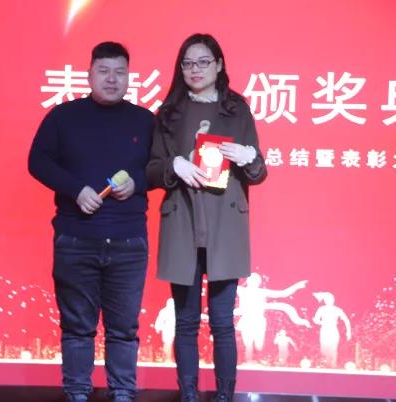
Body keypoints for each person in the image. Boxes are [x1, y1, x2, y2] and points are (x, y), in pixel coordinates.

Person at [28, 41, 154, 402]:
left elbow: (161, 168)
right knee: (77, 328)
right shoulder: (63, 116)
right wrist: (75, 189)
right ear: (89, 74)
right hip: (76, 239)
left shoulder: (146, 121)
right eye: (104, 71)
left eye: (120, 72)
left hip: (129, 242)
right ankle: (77, 393)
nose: (112, 79)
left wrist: (138, 183)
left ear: (128, 77)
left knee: (124, 329)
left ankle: (123, 393)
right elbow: (38, 161)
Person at [146, 33, 267, 402]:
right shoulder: (168, 113)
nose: (194, 69)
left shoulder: (237, 109)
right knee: (185, 322)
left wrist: (248, 157)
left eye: (202, 62)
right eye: (187, 63)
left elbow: (258, 172)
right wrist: (173, 165)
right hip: (182, 221)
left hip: (224, 225)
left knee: (222, 322)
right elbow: (150, 171)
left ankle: (225, 395)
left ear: (219, 65)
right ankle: (188, 394)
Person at [312, 291, 352, 368]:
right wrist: (321, 322)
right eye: (327, 299)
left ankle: (333, 367)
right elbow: (316, 319)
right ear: (325, 301)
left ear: (333, 300)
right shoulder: (321, 309)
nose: (328, 301)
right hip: (325, 330)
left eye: (330, 299)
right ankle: (324, 367)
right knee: (324, 350)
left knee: (333, 350)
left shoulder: (337, 309)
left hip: (333, 330)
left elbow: (346, 320)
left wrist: (349, 331)